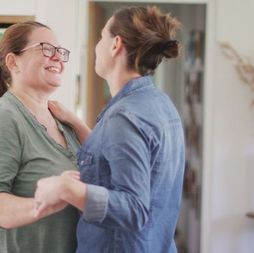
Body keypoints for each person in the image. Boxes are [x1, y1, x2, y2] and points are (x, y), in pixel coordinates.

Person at [34, 6, 185, 253]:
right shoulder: (159, 103)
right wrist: (76, 123)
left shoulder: (124, 117)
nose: (96, 46)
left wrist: (67, 188)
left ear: (116, 44)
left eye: (101, 37)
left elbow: (134, 209)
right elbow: (121, 160)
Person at [0, 21, 80, 253]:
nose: (57, 57)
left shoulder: (63, 122)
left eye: (60, 52)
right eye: (46, 48)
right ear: (13, 62)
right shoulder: (0, 120)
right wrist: (43, 204)